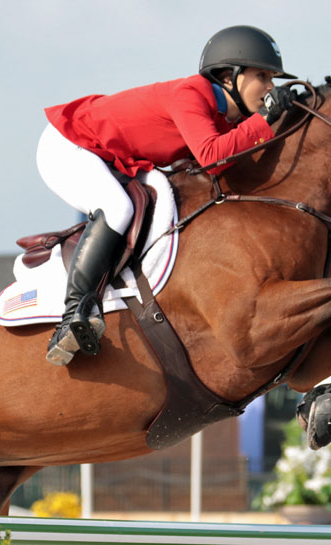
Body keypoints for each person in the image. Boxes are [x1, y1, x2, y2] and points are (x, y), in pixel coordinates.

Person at [37, 25, 297, 366]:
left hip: (111, 157)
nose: (269, 88)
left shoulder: (225, 118)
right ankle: (73, 316)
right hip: (68, 145)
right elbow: (212, 156)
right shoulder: (191, 94)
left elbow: (223, 163)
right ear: (229, 76)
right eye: (262, 76)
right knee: (117, 208)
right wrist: (265, 118)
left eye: (272, 79)